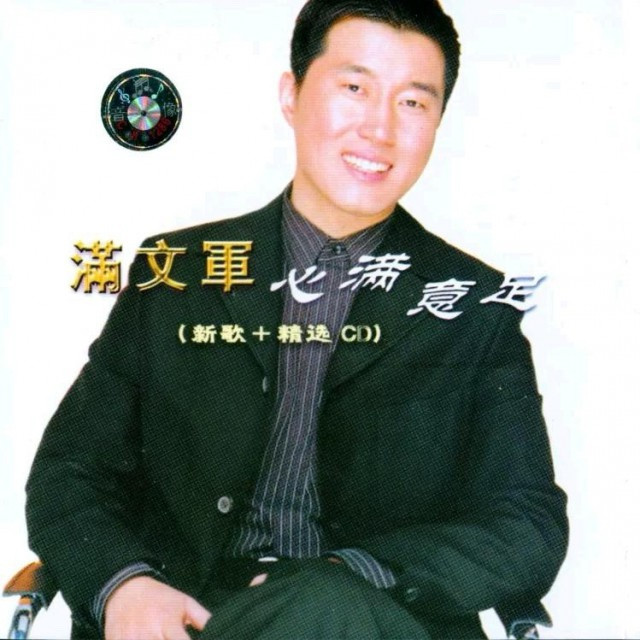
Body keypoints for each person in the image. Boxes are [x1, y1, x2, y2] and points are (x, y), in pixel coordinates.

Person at [26, 1, 568, 638]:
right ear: (292, 94)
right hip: (190, 613)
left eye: (412, 103)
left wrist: (355, 569)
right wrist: (125, 584)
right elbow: (70, 472)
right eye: (354, 89)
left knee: (324, 603)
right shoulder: (177, 276)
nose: (380, 129)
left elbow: (527, 522)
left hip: (373, 610)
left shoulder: (473, 306)